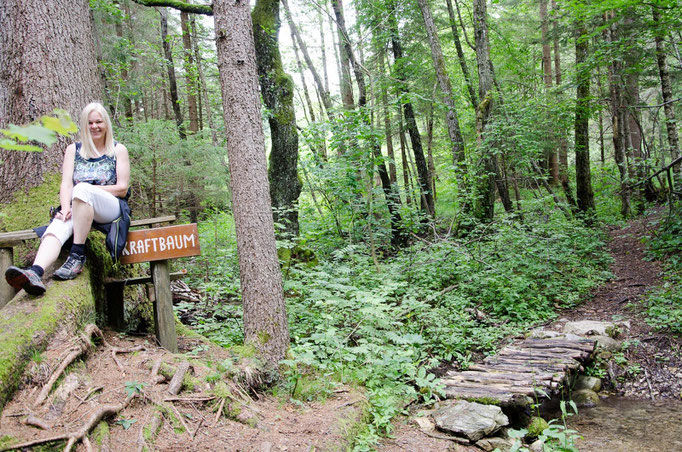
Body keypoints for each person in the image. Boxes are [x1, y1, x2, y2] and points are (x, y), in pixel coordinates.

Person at [4, 102, 130, 295]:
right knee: (57, 225)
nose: (94, 126)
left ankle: (77, 255)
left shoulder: (117, 149)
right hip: (79, 203)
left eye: (98, 122)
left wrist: (88, 190)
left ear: (106, 124)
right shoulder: (74, 150)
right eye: (90, 122)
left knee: (82, 190)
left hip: (109, 207)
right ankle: (35, 272)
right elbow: (66, 184)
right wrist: (64, 207)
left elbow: (122, 188)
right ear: (84, 125)